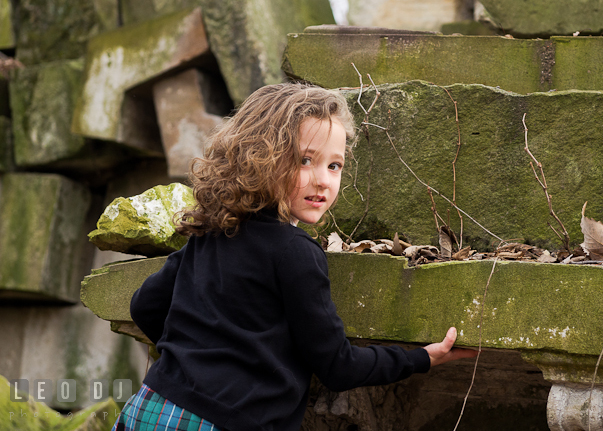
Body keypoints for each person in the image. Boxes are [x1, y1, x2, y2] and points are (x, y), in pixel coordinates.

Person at [113, 83, 477, 431]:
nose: (323, 180)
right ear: (259, 158)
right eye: (305, 160)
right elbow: (338, 366)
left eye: (334, 165)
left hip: (151, 405)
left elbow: (145, 305)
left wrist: (193, 365)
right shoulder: (295, 251)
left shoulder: (213, 232)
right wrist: (422, 358)